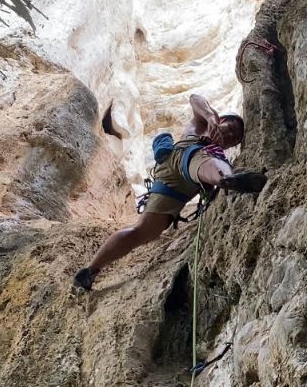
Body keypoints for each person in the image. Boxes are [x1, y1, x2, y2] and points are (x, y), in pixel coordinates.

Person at [73, 94, 265, 290]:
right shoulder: (203, 125)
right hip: (187, 155)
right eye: (231, 129)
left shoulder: (215, 145)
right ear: (222, 120)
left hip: (175, 185)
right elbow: (194, 98)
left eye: (234, 140)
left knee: (143, 231)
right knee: (206, 160)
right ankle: (227, 179)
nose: (230, 136)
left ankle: (90, 271)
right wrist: (211, 117)